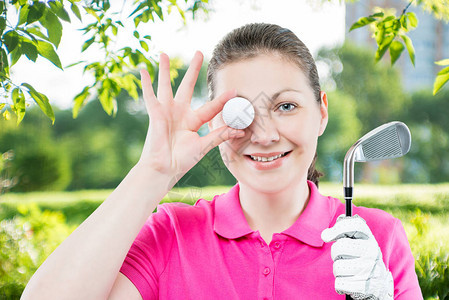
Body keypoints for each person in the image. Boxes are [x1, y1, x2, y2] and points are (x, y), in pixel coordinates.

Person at [21, 23, 422, 299]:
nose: (264, 135)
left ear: (321, 112)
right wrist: (152, 174)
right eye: (239, 112)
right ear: (215, 122)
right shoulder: (171, 235)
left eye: (286, 105)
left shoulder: (376, 238)